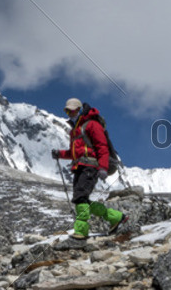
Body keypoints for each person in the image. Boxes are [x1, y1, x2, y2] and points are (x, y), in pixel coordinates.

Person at [51, 98, 128, 241]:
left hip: (90, 167)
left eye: (72, 110)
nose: (70, 113)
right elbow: (74, 153)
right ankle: (116, 217)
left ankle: (81, 232)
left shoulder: (92, 125)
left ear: (79, 110)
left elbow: (102, 147)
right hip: (79, 167)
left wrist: (103, 168)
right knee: (83, 199)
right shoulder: (75, 130)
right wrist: (60, 154)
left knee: (80, 197)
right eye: (67, 110)